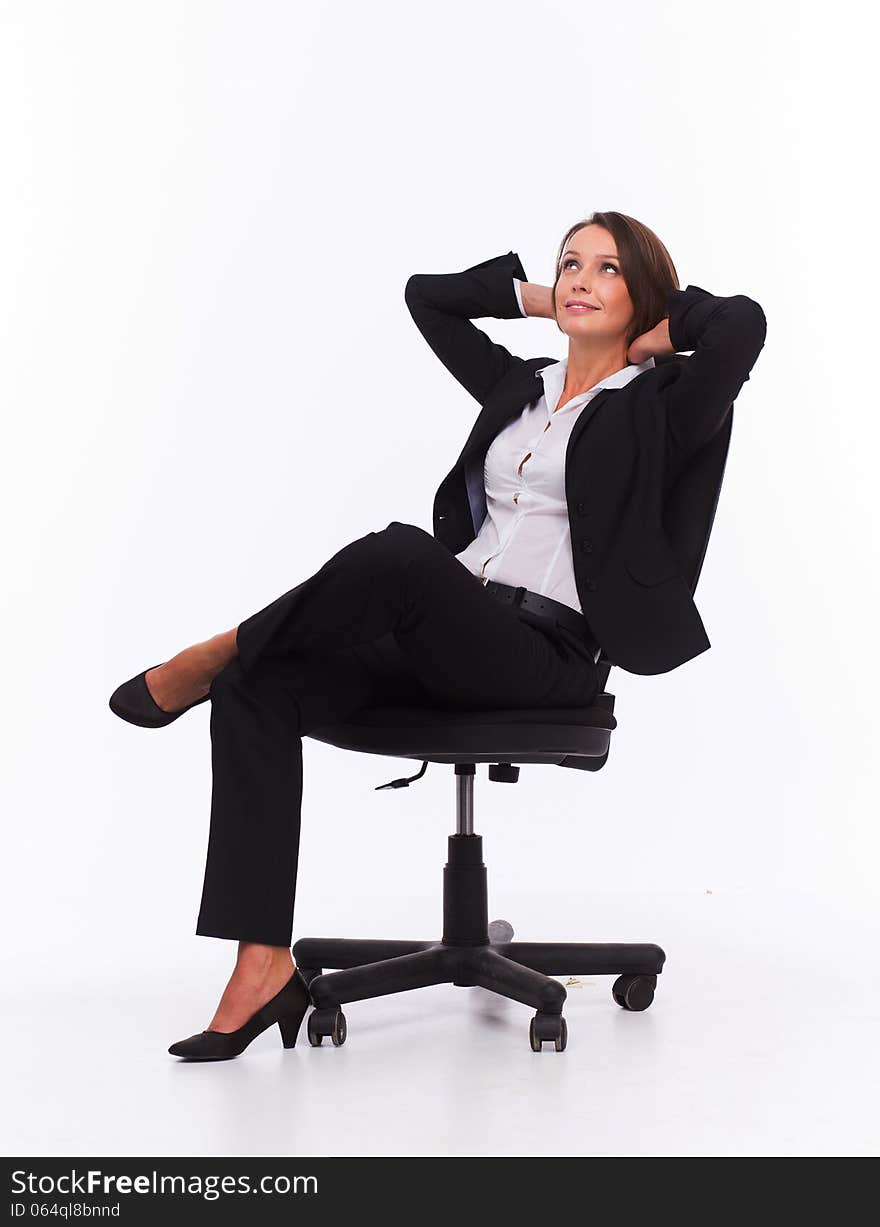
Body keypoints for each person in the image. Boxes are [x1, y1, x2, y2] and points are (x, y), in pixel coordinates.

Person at [109, 211, 767, 1060]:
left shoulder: (662, 411)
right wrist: (535, 296)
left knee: (400, 557)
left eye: (606, 269)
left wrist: (656, 335)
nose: (578, 278)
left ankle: (218, 647)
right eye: (571, 262)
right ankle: (261, 963)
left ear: (644, 294)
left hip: (545, 656)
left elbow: (744, 324)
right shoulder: (518, 388)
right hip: (450, 631)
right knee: (258, 687)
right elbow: (429, 301)